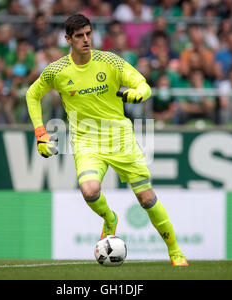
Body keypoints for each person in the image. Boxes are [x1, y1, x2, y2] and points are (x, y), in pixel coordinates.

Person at [26, 14, 188, 267]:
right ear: (68, 39)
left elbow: (143, 85)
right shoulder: (57, 70)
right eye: (79, 36)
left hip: (120, 138)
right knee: (89, 190)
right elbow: (32, 95)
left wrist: (137, 93)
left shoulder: (109, 61)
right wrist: (40, 134)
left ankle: (175, 252)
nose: (86, 40)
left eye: (88, 34)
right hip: (86, 141)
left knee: (146, 198)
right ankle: (110, 218)